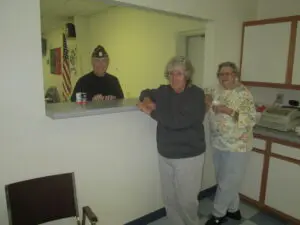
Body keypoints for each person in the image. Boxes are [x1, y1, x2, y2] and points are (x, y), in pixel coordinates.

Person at [137, 56, 206, 225]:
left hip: (188, 156)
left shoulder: (196, 94)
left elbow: (178, 122)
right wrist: (146, 100)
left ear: (187, 75)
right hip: (165, 154)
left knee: (187, 201)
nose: (174, 78)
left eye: (179, 74)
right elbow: (145, 92)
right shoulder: (163, 90)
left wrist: (150, 112)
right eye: (170, 74)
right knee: (169, 198)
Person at [204, 62, 256, 225]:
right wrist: (206, 99)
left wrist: (228, 111)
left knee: (228, 182)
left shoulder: (244, 94)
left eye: (228, 73)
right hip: (219, 143)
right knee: (224, 180)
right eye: (221, 74)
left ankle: (218, 215)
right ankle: (234, 210)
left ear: (235, 75)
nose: (224, 77)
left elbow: (250, 120)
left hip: (237, 146)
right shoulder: (215, 89)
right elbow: (204, 95)